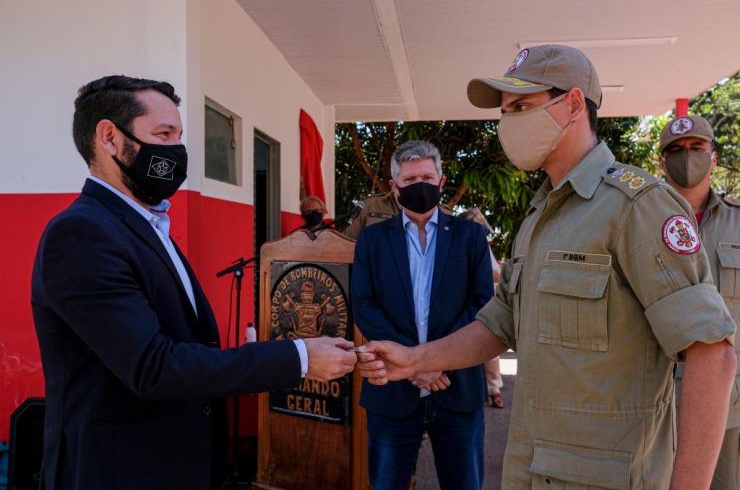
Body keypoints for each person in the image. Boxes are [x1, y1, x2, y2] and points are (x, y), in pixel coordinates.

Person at [357, 45, 737, 489]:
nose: (508, 123)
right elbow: (499, 325)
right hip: (534, 469)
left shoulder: (637, 207)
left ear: (573, 104)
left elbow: (712, 354)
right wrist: (414, 359)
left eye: (521, 107)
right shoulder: (541, 217)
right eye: (505, 111)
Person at [30, 75, 357, 490]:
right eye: (163, 134)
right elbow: (154, 366)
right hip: (120, 471)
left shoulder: (147, 224)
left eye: (179, 135)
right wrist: (300, 358)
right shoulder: (81, 234)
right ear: (109, 137)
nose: (177, 151)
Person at [351, 140, 493, 490]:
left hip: (456, 386)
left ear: (441, 182)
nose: (420, 185)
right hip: (393, 391)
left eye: (427, 176)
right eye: (411, 179)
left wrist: (434, 361)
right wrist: (414, 365)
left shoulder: (471, 237)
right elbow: (364, 305)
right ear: (395, 187)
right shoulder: (371, 240)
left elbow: (481, 305)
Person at [658, 115, 740, 490]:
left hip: (729, 405)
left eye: (696, 148)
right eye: (674, 150)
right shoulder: (639, 219)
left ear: (714, 157)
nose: (686, 157)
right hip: (653, 402)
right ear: (661, 161)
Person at [460, 207, 505, 408]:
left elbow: (495, 274)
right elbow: (496, 273)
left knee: (487, 347)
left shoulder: (479, 244)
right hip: (472, 304)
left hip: (482, 303)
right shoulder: (465, 242)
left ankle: (494, 389)